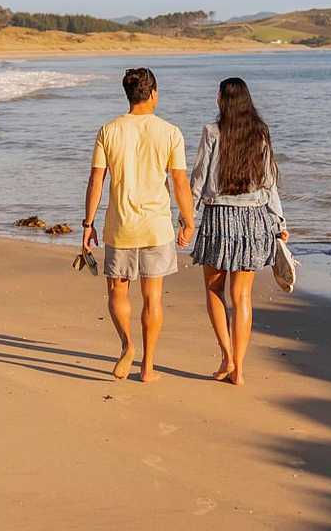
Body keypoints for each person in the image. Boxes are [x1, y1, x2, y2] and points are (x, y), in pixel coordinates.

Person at [82, 67, 196, 382]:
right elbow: (179, 182)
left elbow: (96, 181)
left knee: (118, 291)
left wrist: (87, 224)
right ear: (153, 93)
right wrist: (188, 220)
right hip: (156, 227)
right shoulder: (170, 132)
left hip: (120, 226)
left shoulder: (108, 130)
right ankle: (148, 367)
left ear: (129, 94)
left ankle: (127, 345)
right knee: (153, 297)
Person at [188, 77, 288, 386]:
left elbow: (200, 177)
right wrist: (279, 222)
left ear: (221, 99)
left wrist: (187, 217)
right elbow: (270, 182)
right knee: (242, 295)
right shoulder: (260, 133)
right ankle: (239, 369)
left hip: (219, 218)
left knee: (214, 290)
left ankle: (227, 357)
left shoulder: (212, 132)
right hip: (254, 219)